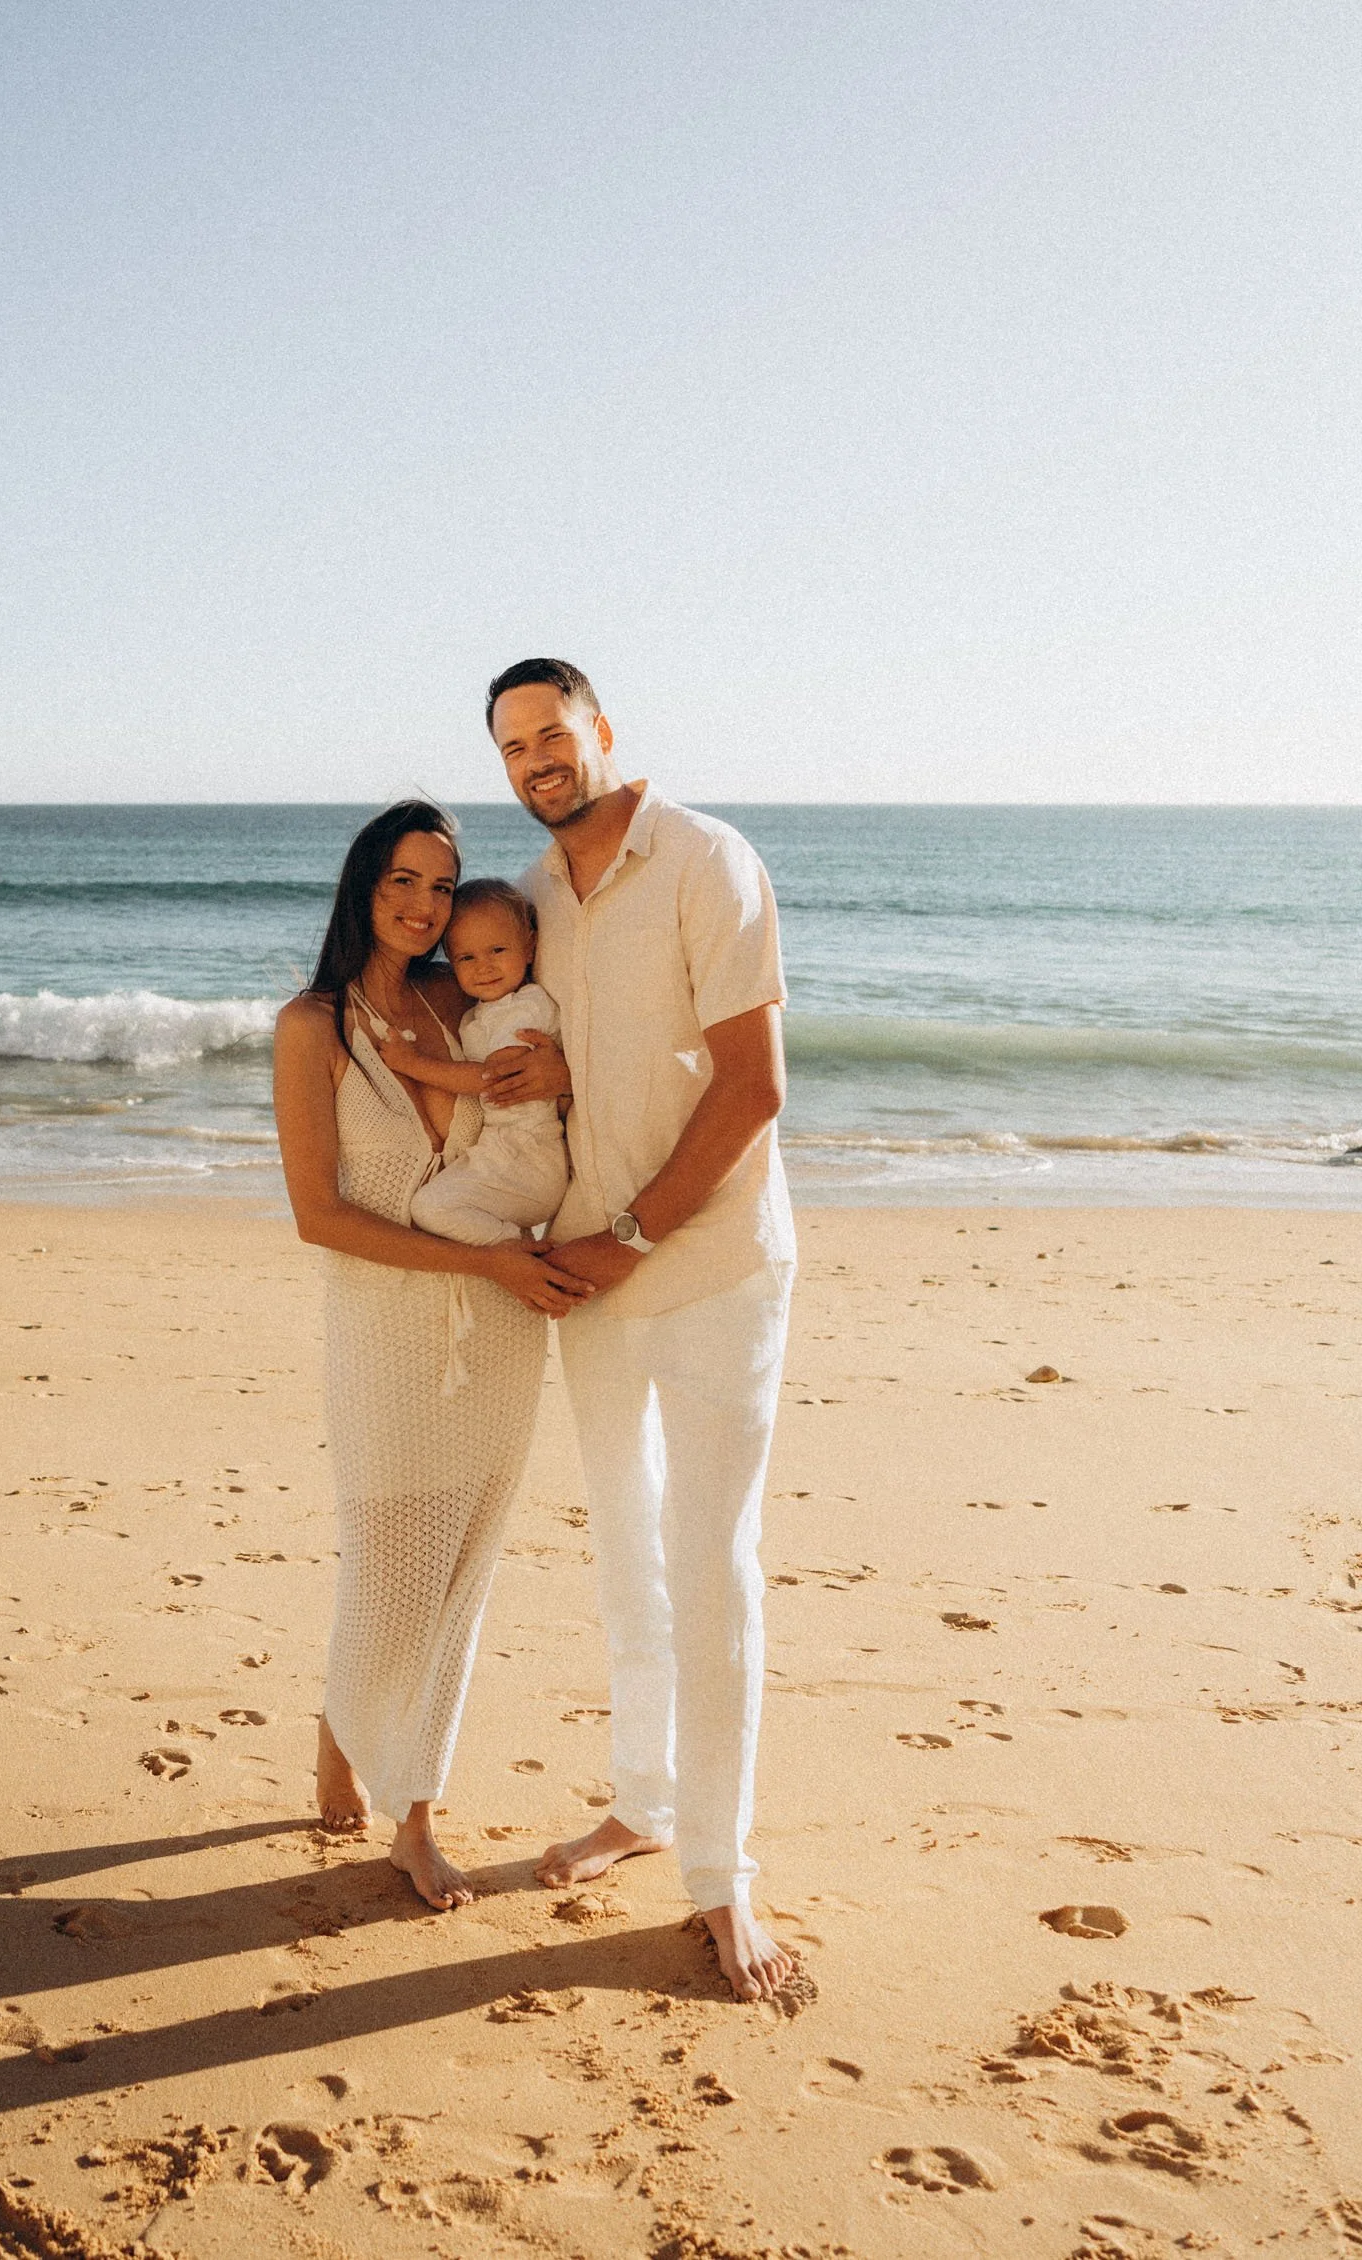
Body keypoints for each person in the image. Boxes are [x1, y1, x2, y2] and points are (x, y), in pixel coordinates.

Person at [485, 657, 799, 2001]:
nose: (534, 760)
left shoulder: (704, 861)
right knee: (625, 1545)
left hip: (711, 1265)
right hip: (590, 1280)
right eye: (510, 746)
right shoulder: (538, 896)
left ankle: (721, 1880)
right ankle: (641, 1799)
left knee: (709, 1559)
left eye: (551, 734)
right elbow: (568, 1057)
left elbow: (750, 1088)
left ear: (603, 733)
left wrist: (628, 1236)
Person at [272, 802, 592, 1910]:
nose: (422, 907)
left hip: (495, 1324)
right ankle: (373, 1762)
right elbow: (318, 1213)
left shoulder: (469, 998)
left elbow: (553, 1092)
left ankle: (401, 1800)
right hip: (386, 1321)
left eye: (441, 888)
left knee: (461, 1563)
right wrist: (484, 1265)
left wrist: (557, 1070)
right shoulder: (310, 1025)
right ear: (364, 884)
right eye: (402, 881)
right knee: (388, 1554)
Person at [381, 878, 570, 1250]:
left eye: (497, 950)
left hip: (528, 1160)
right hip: (501, 1153)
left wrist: (412, 1063)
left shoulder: (526, 1007)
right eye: (467, 958)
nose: (483, 967)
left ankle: (517, 1246)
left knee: (428, 1208)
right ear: (451, 965)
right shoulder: (476, 1018)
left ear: (529, 947)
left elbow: (491, 1078)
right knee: (426, 1207)